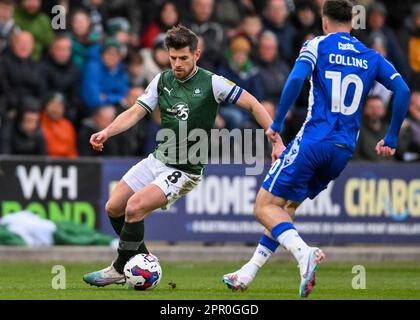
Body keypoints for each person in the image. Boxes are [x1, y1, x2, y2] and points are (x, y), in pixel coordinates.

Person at [222, 0, 411, 298]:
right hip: (342, 150)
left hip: (314, 140)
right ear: (352, 22)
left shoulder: (316, 45)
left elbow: (296, 78)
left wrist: (279, 121)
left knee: (263, 206)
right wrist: (391, 137)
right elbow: (403, 90)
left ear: (324, 22)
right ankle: (248, 272)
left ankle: (303, 253)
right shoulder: (370, 55)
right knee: (286, 209)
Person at [82, 25, 278, 287]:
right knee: (113, 206)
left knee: (135, 207)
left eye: (183, 58)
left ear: (196, 55)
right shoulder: (162, 81)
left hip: (185, 169)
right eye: (173, 58)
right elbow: (135, 112)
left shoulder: (212, 82)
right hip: (157, 160)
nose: (177, 64)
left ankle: (119, 268)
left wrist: (276, 141)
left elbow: (253, 104)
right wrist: (107, 131)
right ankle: (142, 259)